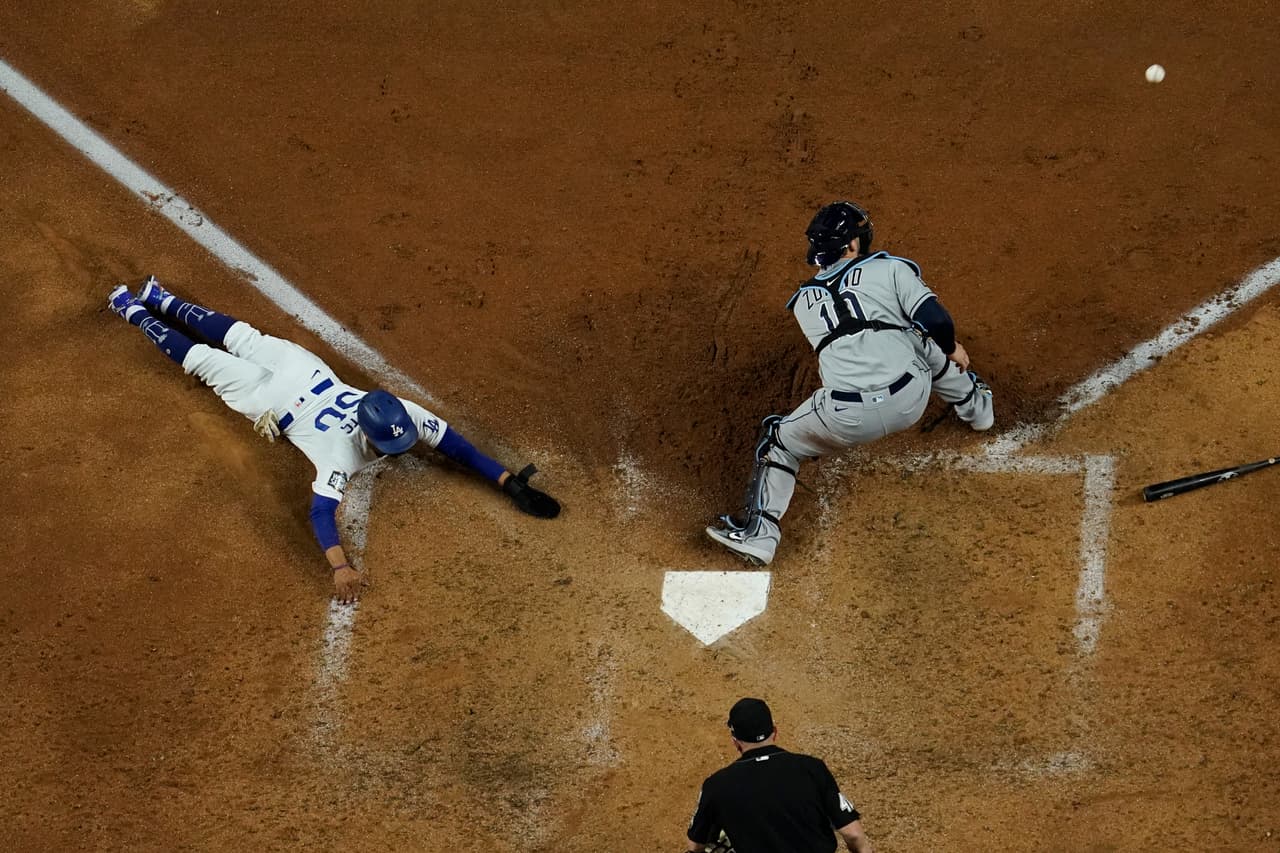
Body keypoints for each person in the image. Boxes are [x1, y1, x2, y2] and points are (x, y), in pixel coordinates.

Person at [107, 276, 560, 603]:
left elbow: (456, 447)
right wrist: (340, 567)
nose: (396, 452)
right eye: (388, 448)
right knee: (209, 355)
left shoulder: (403, 414)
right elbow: (320, 511)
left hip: (301, 374)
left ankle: (157, 299)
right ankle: (139, 307)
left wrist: (509, 482)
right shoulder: (338, 455)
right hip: (272, 395)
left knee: (238, 340)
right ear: (369, 434)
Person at [706, 201, 994, 566]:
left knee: (778, 442)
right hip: (910, 397)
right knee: (917, 338)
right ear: (852, 246)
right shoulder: (889, 269)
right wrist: (952, 348)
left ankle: (760, 536)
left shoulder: (803, 304)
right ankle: (978, 408)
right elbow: (935, 319)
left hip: (845, 418)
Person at [685, 698, 874, 853]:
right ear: (774, 732)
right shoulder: (812, 769)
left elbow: (695, 846)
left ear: (736, 742)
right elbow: (854, 835)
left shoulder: (716, 785)